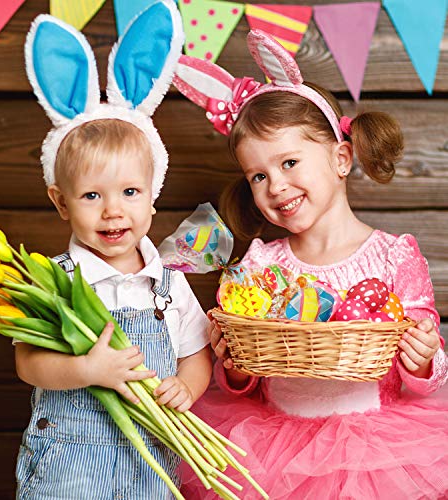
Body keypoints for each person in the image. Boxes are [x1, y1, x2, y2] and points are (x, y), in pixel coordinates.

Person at [173, 29, 448, 499]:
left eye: (289, 163)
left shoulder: (392, 257)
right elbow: (242, 383)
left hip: (376, 448)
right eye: (258, 175)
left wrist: (424, 362)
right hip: (274, 446)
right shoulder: (259, 266)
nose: (275, 186)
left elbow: (425, 381)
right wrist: (235, 368)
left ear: (341, 158)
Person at [15, 5, 212, 499]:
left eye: (129, 193)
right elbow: (29, 361)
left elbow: (196, 352)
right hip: (69, 470)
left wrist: (187, 386)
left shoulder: (169, 283)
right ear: (61, 202)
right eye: (91, 196)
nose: (112, 212)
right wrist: (86, 371)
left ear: (153, 193)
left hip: (152, 465)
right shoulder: (53, 280)